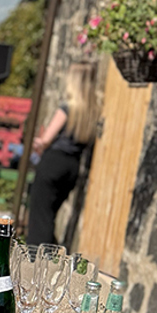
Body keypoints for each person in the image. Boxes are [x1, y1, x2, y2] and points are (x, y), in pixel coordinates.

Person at [27, 61, 98, 246]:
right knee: (50, 214)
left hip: (53, 162)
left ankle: (37, 256)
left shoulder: (66, 108)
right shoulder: (91, 111)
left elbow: (46, 140)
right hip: (72, 166)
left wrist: (36, 142)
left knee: (39, 214)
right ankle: (49, 252)